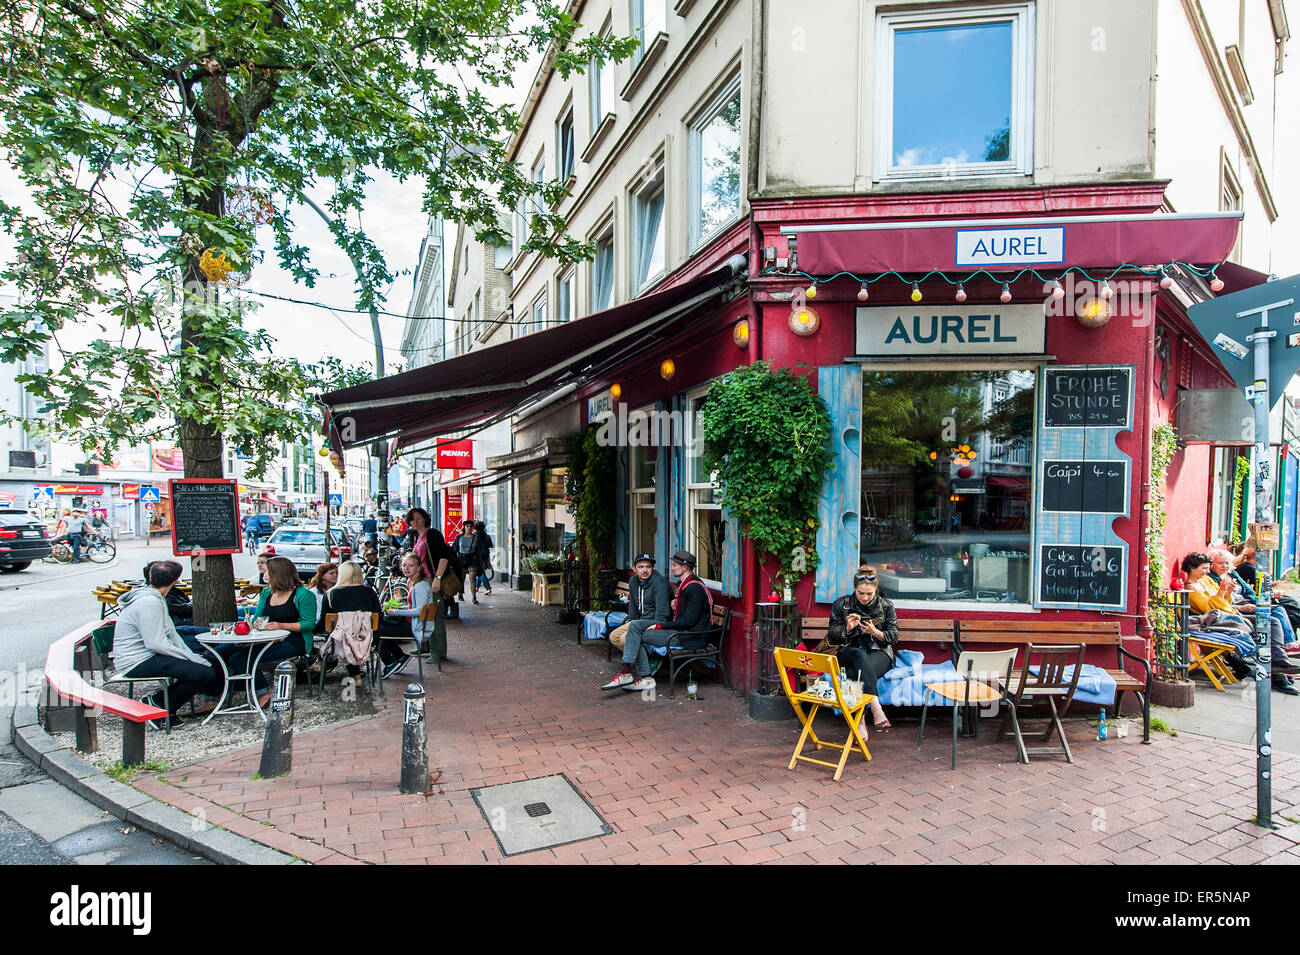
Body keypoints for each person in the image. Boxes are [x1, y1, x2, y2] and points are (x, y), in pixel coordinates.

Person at [110, 560, 221, 728]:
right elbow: (155, 643)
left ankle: (166, 706)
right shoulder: (149, 603)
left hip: (146, 655)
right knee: (203, 673)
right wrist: (191, 659)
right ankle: (157, 704)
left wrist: (191, 656)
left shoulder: (153, 599)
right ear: (175, 581)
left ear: (150, 576)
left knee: (210, 663)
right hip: (136, 661)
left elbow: (171, 635)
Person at [1184, 552, 1300, 694]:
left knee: (1274, 620)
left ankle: (1279, 664)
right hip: (1218, 623)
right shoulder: (1192, 588)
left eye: (1208, 568)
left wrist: (1227, 592)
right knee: (1267, 627)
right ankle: (1278, 672)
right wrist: (1222, 591)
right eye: (1204, 568)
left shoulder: (1204, 581)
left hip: (1229, 615)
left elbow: (1225, 603)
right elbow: (1212, 609)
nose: (1208, 571)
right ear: (1191, 568)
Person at [602, 549, 711, 693]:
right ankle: (635, 675)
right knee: (633, 629)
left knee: (634, 635)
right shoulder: (686, 584)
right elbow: (686, 613)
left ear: (684, 567)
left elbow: (689, 621)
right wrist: (676, 603)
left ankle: (635, 674)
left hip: (688, 637)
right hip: (680, 630)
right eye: (641, 567)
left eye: (674, 565)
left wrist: (661, 625)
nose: (671, 568)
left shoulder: (694, 588)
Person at [227, 556, 317, 707]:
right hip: (266, 638)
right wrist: (255, 622)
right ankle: (215, 696)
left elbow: (308, 623)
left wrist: (281, 625)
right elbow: (258, 617)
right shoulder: (266, 593)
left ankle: (263, 691)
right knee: (226, 652)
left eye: (267, 572)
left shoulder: (303, 594)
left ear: (277, 574)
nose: (263, 575)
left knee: (241, 658)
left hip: (294, 640)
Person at [827, 565, 896, 733]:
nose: (865, 597)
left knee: (855, 673)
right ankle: (875, 706)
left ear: (876, 589)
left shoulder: (886, 605)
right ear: (855, 589)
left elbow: (893, 636)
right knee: (858, 655)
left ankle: (860, 721)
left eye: (869, 594)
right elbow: (832, 636)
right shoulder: (842, 604)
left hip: (878, 652)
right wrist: (847, 629)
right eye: (860, 593)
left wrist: (876, 632)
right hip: (848, 652)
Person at [1209, 548, 1295, 647]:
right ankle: (1288, 645)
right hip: (1234, 607)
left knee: (1284, 606)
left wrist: (1259, 601)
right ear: (1211, 564)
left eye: (1227, 563)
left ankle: (1288, 644)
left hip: (1246, 601)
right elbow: (1218, 600)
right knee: (1277, 611)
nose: (1225, 566)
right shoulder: (1211, 578)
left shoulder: (1232, 573)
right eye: (1220, 563)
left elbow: (1248, 590)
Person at [317, 560, 382, 683]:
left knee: (344, 636)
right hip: (367, 639)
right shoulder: (369, 592)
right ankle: (357, 676)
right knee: (351, 635)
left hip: (339, 642)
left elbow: (323, 623)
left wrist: (313, 630)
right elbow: (379, 617)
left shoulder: (330, 594)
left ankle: (320, 662)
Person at [375, 554, 435, 676]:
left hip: (415, 626)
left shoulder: (420, 587)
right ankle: (400, 657)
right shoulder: (415, 583)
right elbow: (413, 607)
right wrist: (397, 608)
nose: (406, 568)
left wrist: (396, 612)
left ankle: (390, 662)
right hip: (412, 622)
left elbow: (419, 610)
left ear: (419, 568)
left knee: (375, 631)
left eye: (410, 565)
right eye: (404, 565)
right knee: (379, 626)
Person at [607, 553, 672, 653]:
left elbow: (662, 616)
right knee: (614, 637)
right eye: (641, 567)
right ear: (634, 569)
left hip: (654, 623)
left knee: (625, 638)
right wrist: (632, 622)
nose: (644, 570)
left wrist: (648, 628)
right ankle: (643, 658)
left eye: (648, 567)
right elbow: (633, 605)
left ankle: (642, 665)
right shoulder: (633, 581)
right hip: (639, 622)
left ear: (653, 568)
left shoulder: (660, 583)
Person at [306, 562, 339, 628]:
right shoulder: (314, 592)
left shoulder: (339, 589)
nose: (335, 575)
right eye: (331, 573)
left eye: (336, 573)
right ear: (322, 576)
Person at [453, 521, 477, 602]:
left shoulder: (475, 538)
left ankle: (474, 597)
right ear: (464, 527)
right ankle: (460, 593)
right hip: (461, 559)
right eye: (467, 526)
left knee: (472, 578)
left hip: (472, 559)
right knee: (461, 578)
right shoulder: (459, 537)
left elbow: (479, 550)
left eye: (471, 526)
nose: (469, 528)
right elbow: (455, 549)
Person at [472, 520, 494, 597]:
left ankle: (488, 588)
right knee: (480, 571)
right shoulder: (487, 536)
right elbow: (491, 545)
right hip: (485, 556)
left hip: (477, 557)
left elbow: (473, 547)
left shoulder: (474, 536)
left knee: (481, 572)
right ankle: (477, 587)